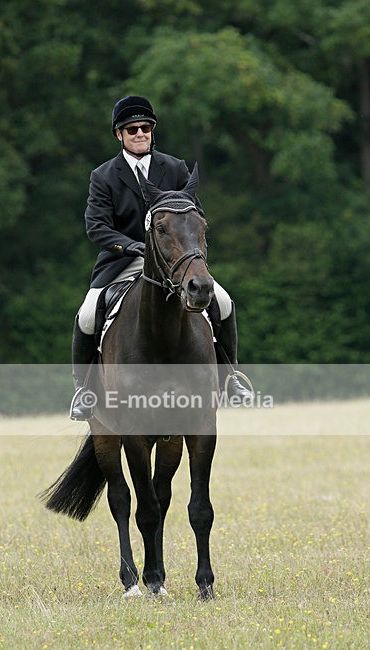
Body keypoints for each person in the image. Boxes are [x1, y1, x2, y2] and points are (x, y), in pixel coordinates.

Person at [70, 95, 252, 420]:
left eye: (145, 128)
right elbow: (96, 227)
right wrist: (130, 246)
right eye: (132, 129)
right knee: (86, 315)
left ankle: (231, 378)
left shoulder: (175, 167)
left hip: (175, 260)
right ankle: (84, 391)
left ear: (152, 131)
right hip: (125, 260)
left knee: (223, 302)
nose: (140, 134)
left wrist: (190, 247)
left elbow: (195, 215)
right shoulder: (104, 176)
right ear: (119, 135)